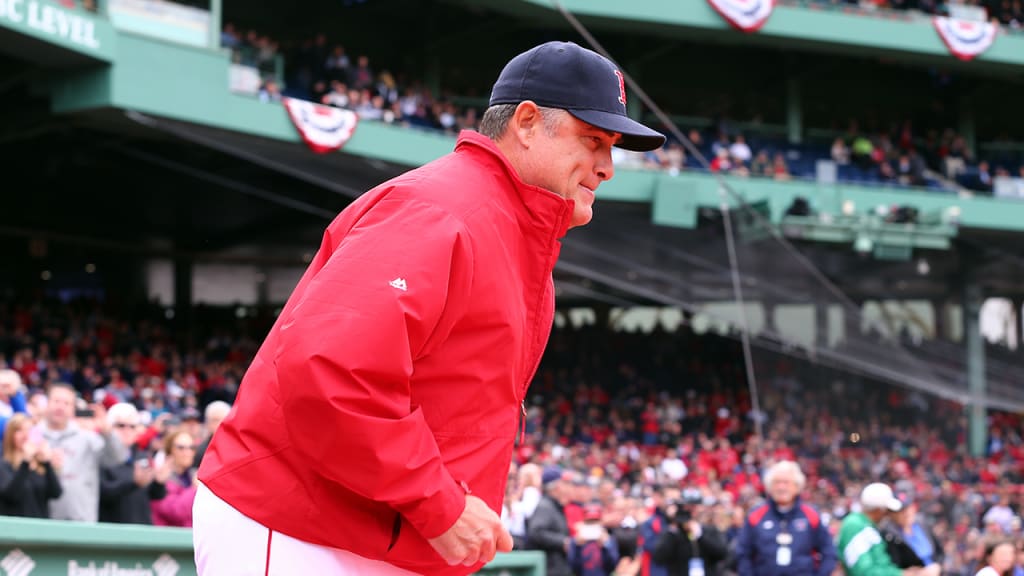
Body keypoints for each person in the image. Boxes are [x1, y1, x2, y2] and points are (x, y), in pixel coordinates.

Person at [192, 39, 665, 576]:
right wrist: (438, 502)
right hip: (305, 525)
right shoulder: (440, 210)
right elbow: (330, 373)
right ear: (528, 122)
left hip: (381, 533)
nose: (607, 167)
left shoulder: (509, 232)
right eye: (593, 140)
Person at [39, 383, 127, 522]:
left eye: (67, 403)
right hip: (40, 519)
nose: (60, 407)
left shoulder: (88, 438)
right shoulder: (33, 436)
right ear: (47, 403)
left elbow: (117, 458)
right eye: (56, 401)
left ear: (73, 408)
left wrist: (108, 433)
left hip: (81, 520)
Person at [736, 460, 836, 576]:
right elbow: (742, 553)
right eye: (776, 482)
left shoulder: (811, 515)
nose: (781, 487)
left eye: (786, 482)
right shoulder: (756, 515)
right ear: (769, 486)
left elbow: (829, 551)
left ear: (797, 486)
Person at [837, 483, 939, 576]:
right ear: (878, 510)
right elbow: (864, 572)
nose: (888, 514)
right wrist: (902, 574)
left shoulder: (868, 526)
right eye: (886, 510)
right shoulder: (854, 525)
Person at [99, 403, 171, 525]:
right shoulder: (102, 456)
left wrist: (159, 483)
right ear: (109, 427)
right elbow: (102, 493)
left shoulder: (141, 455)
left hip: (142, 531)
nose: (127, 431)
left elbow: (154, 496)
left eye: (132, 426)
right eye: (120, 425)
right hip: (112, 531)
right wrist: (133, 483)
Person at [650, 491, 729, 576]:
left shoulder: (710, 530)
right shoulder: (673, 533)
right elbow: (659, 558)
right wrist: (673, 524)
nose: (691, 512)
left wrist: (700, 535)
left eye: (694, 507)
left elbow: (722, 554)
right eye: (688, 508)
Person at [0, 413, 62, 517]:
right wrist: (25, 462)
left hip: (39, 528)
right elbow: (11, 495)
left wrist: (47, 463)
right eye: (19, 430)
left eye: (29, 430)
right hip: (14, 528)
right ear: (11, 435)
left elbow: (56, 493)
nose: (25, 435)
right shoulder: (4, 466)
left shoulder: (40, 466)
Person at [151, 428, 199, 527]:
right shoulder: (160, 479)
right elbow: (176, 512)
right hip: (169, 539)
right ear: (170, 451)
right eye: (181, 447)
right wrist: (194, 489)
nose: (187, 452)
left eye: (191, 448)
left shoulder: (193, 476)